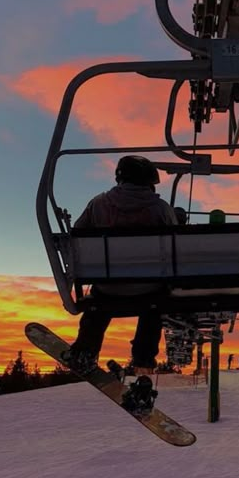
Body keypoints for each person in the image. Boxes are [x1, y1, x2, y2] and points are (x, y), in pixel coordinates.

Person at [67, 155, 178, 374]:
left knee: (96, 308)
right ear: (149, 181)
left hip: (107, 285)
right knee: (154, 309)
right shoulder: (160, 209)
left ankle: (85, 350)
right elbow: (177, 243)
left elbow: (77, 238)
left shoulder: (98, 204)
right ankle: (143, 359)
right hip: (150, 287)